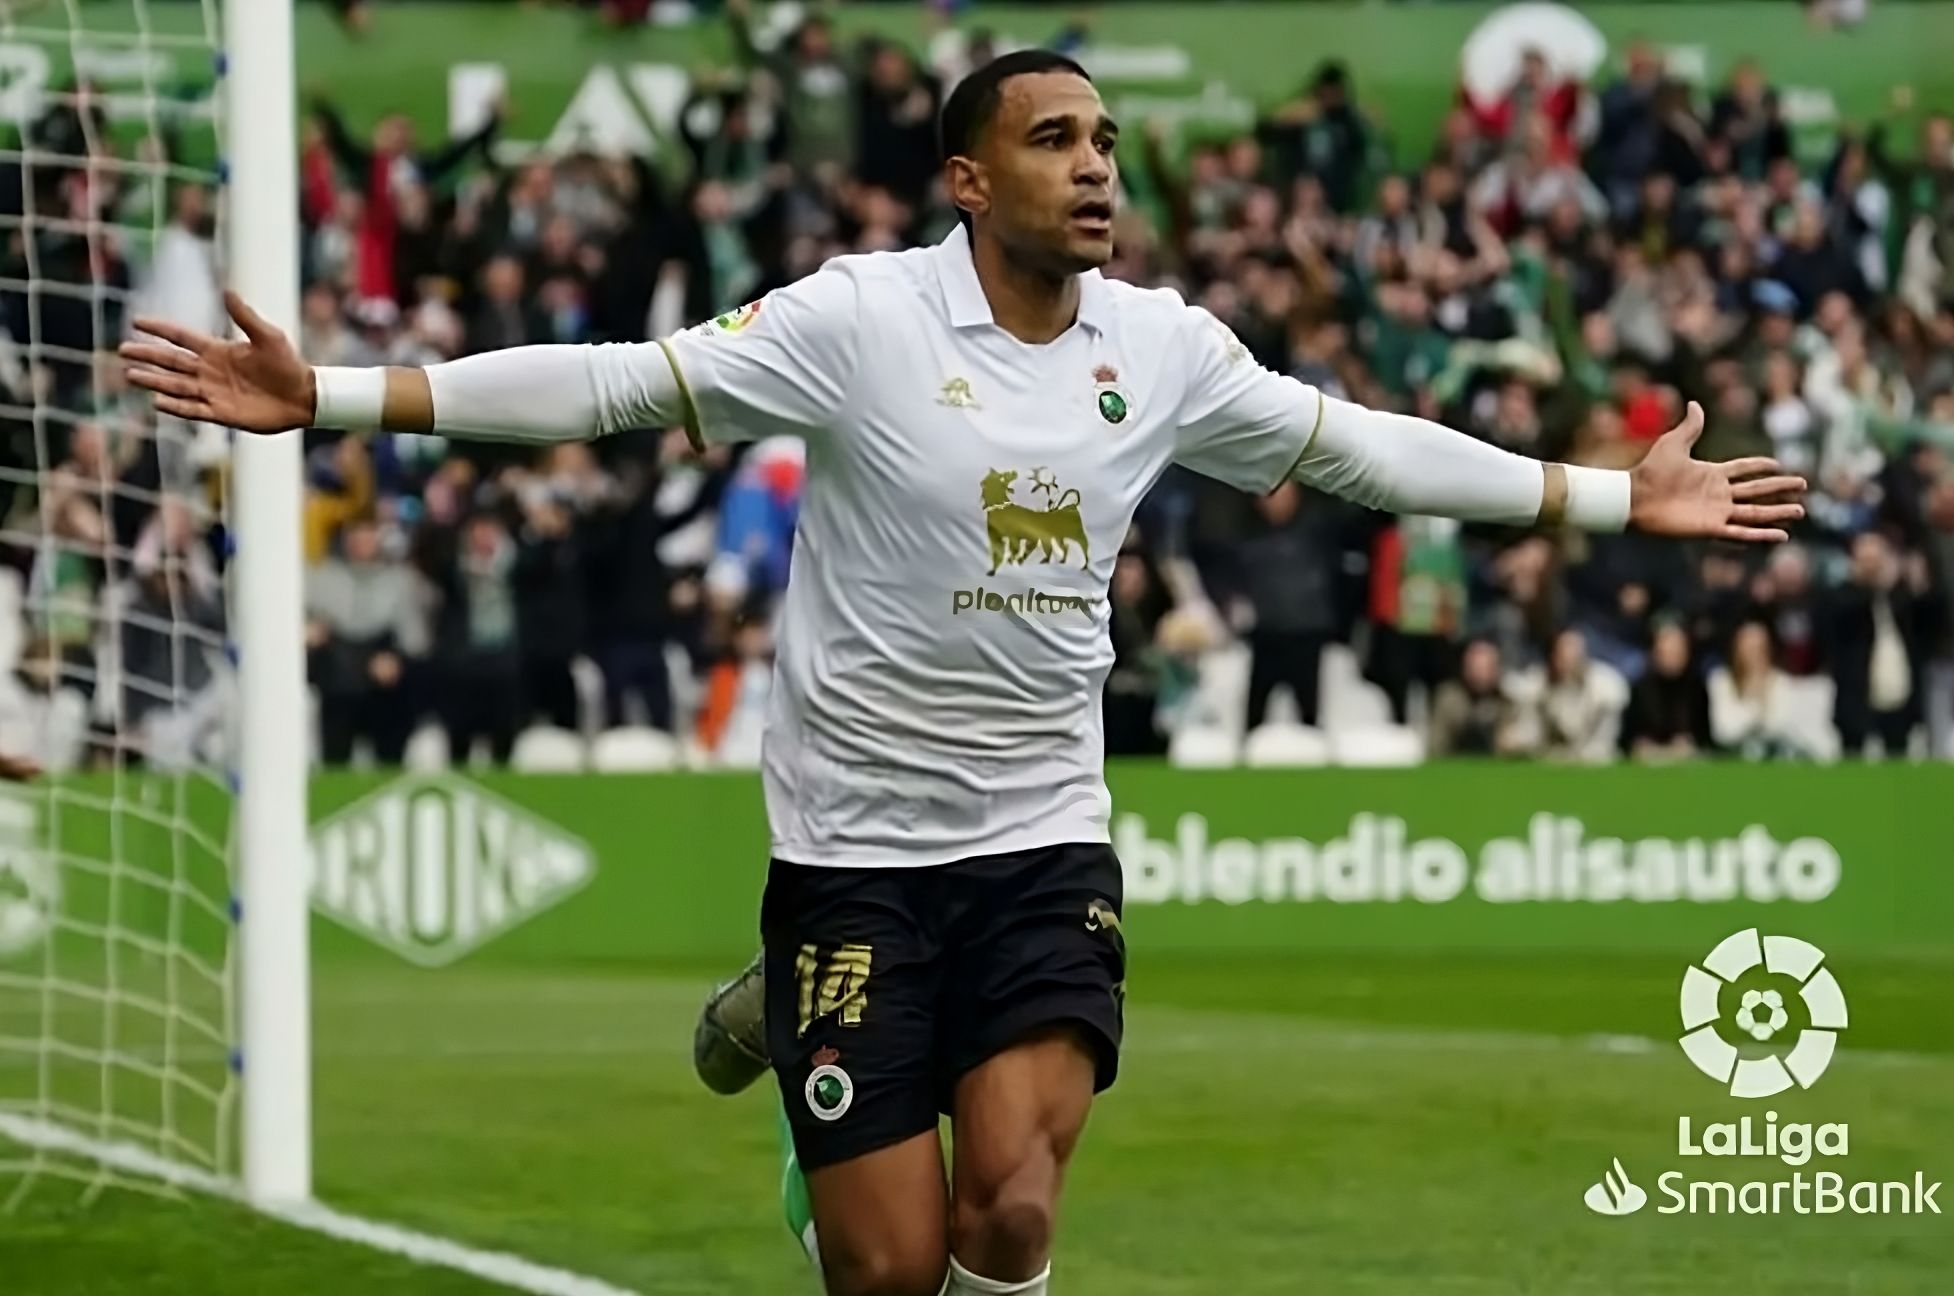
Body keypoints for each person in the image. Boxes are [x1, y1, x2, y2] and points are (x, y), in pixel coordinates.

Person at [122, 51, 1806, 1296]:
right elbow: (618, 386)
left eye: (1106, 141)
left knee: (1010, 1207)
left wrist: (1608, 495)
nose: (1095, 169)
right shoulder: (858, 321)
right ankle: (797, 1038)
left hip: (1036, 842)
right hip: (852, 856)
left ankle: (829, 1054)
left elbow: (1361, 452)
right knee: (887, 1274)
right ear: (968, 180)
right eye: (1053, 139)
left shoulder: (1157, 349)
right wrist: (339, 395)